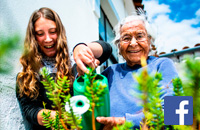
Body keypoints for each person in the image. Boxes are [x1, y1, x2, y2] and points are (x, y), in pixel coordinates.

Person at [16, 7, 112, 130]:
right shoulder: (27, 70)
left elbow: (107, 49)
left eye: (52, 31)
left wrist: (81, 48)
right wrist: (61, 118)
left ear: (60, 32)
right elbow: (30, 110)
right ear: (33, 37)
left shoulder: (73, 60)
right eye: (40, 34)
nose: (48, 39)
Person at [92, 14, 179, 129]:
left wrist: (126, 122)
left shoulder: (163, 64)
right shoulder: (110, 72)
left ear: (149, 40)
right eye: (126, 38)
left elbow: (179, 114)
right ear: (119, 45)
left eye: (139, 36)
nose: (133, 43)